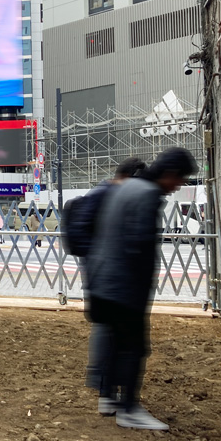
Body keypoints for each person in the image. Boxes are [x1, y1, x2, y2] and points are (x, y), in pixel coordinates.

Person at [86, 148, 197, 430]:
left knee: (113, 341)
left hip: (102, 280)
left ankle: (108, 397)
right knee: (134, 347)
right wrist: (142, 288)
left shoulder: (127, 187)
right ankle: (129, 408)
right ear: (170, 173)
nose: (178, 186)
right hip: (124, 285)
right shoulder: (147, 195)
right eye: (180, 180)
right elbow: (140, 245)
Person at [77, 157, 146, 409]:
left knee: (109, 331)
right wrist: (99, 259)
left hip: (105, 274)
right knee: (107, 331)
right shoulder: (105, 195)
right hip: (103, 275)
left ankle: (107, 391)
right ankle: (105, 391)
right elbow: (85, 232)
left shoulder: (105, 193)